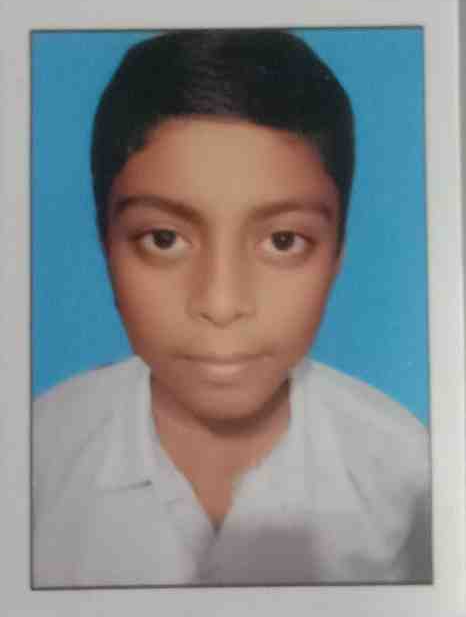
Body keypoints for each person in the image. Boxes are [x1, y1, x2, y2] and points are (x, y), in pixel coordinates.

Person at [32, 29, 431, 587]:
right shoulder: (34, 458)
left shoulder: (412, 476)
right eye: (165, 239)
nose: (221, 304)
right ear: (106, 247)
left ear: (338, 252)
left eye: (283, 241)